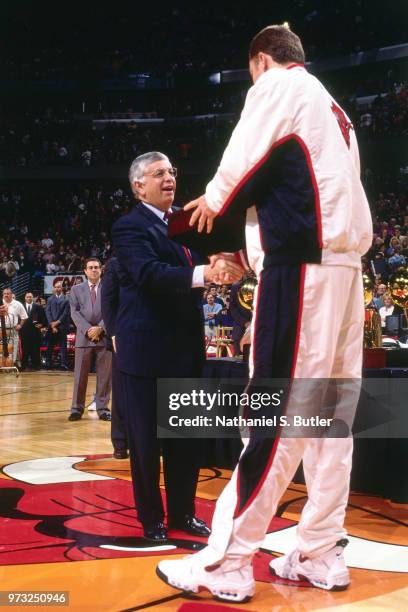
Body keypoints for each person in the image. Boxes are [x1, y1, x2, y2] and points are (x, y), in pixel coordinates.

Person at [157, 24, 373, 602]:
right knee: (330, 423)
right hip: (347, 271)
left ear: (260, 61)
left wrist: (213, 197)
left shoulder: (279, 86)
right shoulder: (330, 103)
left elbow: (240, 166)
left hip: (302, 267)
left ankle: (228, 560)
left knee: (274, 414)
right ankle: (320, 550)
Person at [112, 151, 243, 542]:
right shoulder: (128, 227)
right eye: (158, 173)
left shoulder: (184, 223)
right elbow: (149, 274)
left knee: (185, 442)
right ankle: (151, 519)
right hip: (145, 353)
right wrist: (205, 272)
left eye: (171, 171)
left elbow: (214, 254)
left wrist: (224, 260)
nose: (169, 177)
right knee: (147, 446)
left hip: (186, 351)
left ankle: (184, 513)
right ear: (139, 187)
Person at [68, 258, 112, 421]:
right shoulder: (76, 289)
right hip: (83, 337)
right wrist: (88, 329)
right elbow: (74, 312)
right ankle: (76, 409)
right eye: (90, 268)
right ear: (85, 271)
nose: (94, 270)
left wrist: (100, 327)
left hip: (104, 335)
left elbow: (112, 309)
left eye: (96, 267)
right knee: (80, 375)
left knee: (105, 376)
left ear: (101, 270)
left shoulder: (109, 288)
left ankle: (102, 408)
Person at [100, 256, 128, 457]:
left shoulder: (157, 259)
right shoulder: (116, 264)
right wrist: (113, 333)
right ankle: (120, 442)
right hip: (123, 337)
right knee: (121, 392)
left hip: (153, 336)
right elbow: (108, 301)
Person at [45, 282, 70, 370]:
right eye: (56, 287)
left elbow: (65, 313)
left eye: (59, 287)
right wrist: (52, 324)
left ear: (62, 288)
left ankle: (64, 364)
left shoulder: (66, 299)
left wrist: (57, 322)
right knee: (50, 345)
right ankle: (48, 363)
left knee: (63, 345)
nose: (57, 289)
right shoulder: (50, 299)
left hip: (62, 326)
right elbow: (48, 312)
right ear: (54, 288)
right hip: (52, 326)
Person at [21, 292, 47, 370]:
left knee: (35, 349)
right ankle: (24, 365)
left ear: (33, 298)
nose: (29, 298)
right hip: (24, 331)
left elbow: (43, 319)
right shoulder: (21, 306)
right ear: (25, 298)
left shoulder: (38, 307)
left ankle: (36, 365)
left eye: (30, 297)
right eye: (27, 297)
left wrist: (41, 325)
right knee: (25, 349)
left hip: (35, 331)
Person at [1, 287, 27, 365]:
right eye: (4, 294)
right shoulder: (0, 303)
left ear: (11, 294)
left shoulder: (17, 304)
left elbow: (24, 316)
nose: (6, 295)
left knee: (13, 348)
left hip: (13, 329)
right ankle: (2, 365)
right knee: (1, 348)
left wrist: (20, 325)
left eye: (8, 294)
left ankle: (11, 365)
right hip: (0, 330)